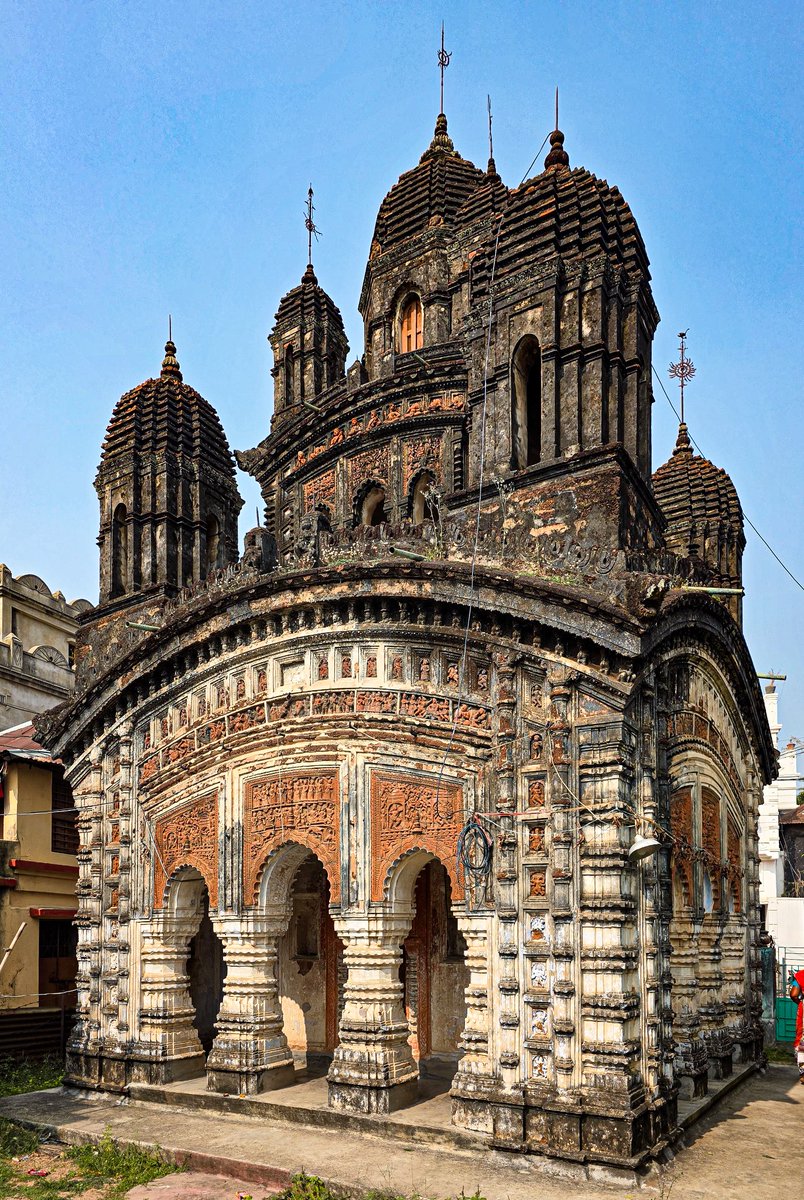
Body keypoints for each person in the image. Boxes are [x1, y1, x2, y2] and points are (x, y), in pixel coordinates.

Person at [790, 969, 804, 1083]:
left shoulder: (801, 975)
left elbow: (794, 994)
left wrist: (800, 1002)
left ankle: (803, 1074)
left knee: (802, 1039)